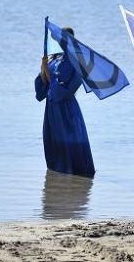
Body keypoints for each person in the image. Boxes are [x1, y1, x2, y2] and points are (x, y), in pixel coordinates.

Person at [34, 28, 96, 178]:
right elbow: (43, 89)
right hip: (51, 108)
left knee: (69, 141)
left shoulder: (75, 62)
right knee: (53, 142)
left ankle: (74, 178)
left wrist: (48, 73)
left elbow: (64, 89)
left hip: (65, 108)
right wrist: (43, 68)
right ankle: (56, 180)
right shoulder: (54, 58)